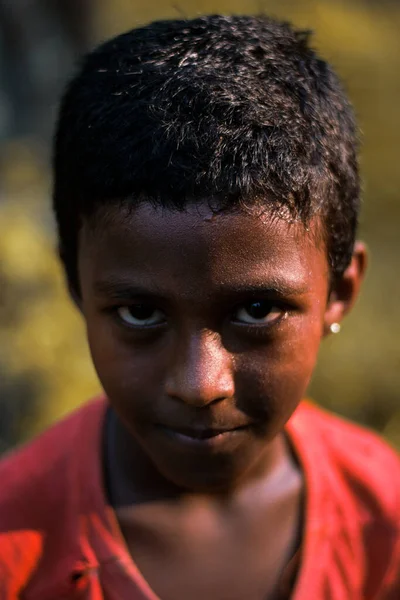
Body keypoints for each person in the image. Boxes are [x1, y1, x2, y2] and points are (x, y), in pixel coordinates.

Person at [0, 14, 399, 600]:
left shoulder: (384, 524)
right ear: (77, 286)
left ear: (339, 291)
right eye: (140, 313)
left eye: (258, 309)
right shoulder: (14, 544)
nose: (199, 384)